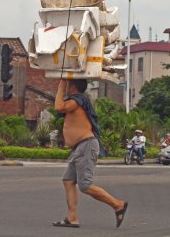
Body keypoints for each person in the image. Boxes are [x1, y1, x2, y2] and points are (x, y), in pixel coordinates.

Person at [53, 79, 128, 228]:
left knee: (85, 185)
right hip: (80, 148)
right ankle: (72, 218)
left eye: (68, 85)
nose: (66, 87)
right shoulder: (77, 101)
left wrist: (60, 86)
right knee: (68, 180)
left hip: (85, 145)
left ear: (73, 86)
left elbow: (59, 107)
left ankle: (118, 205)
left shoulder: (77, 100)